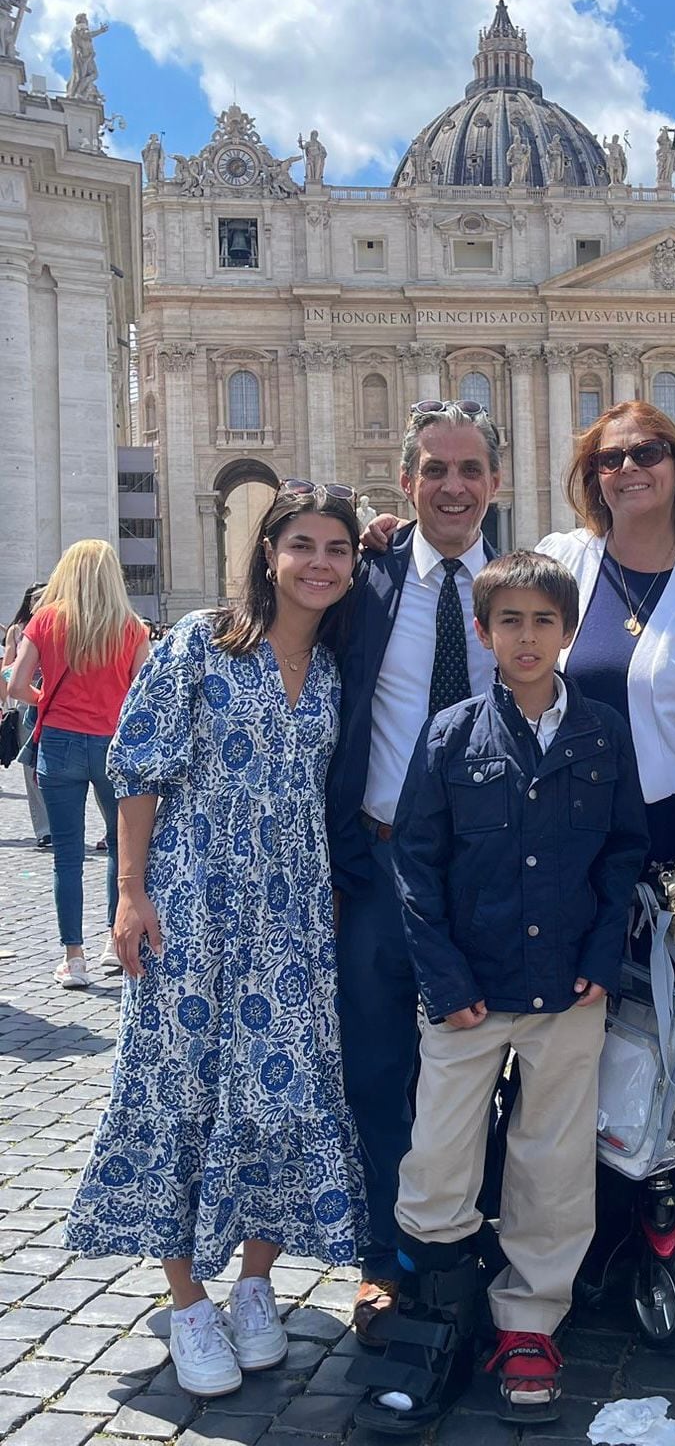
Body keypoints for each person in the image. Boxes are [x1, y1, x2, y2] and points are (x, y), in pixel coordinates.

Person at [63, 485, 367, 1400]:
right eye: (303, 544)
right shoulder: (201, 640)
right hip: (193, 899)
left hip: (293, 914)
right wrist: (127, 894)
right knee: (177, 1086)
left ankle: (255, 1285)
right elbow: (138, 766)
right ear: (267, 551)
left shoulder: (338, 671)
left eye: (339, 550)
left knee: (287, 1090)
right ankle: (186, 1299)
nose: (321, 563)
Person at [353, 552, 647, 1433]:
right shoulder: (447, 735)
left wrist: (601, 953)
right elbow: (416, 865)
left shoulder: (601, 734)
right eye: (509, 622)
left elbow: (621, 853)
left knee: (551, 1167)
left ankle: (529, 1322)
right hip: (469, 992)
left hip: (565, 987)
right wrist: (442, 980)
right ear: (482, 636)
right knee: (437, 1156)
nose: (527, 637)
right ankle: (439, 1311)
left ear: (565, 634)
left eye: (543, 622)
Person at [326, 399, 501, 1342]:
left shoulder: (522, 583)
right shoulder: (368, 580)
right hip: (385, 865)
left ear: (494, 486)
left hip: (495, 875)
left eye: (469, 469)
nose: (452, 486)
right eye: (434, 469)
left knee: (494, 1068)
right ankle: (386, 1257)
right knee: (379, 1068)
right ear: (405, 483)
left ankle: (477, 1238)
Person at [539, 400, 675, 871]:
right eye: (609, 459)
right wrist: (401, 537)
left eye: (647, 453)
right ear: (596, 480)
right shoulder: (562, 559)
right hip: (572, 825)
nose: (628, 468)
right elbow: (490, 594)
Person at [8, 543, 150, 988]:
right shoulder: (130, 626)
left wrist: (44, 698)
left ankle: (74, 958)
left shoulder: (46, 619)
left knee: (67, 858)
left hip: (60, 745)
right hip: (112, 745)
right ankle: (114, 941)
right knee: (118, 846)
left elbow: (14, 685)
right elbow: (143, 697)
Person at [1, 582, 51, 849]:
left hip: (57, 702)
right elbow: (6, 670)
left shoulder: (62, 625)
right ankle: (45, 829)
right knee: (31, 765)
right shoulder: (17, 631)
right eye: (38, 599)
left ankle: (60, 823)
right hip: (26, 702)